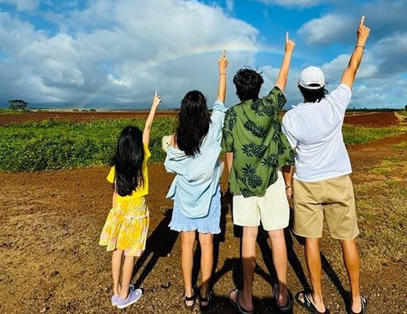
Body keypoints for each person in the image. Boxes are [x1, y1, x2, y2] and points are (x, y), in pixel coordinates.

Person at [282, 16, 370, 314]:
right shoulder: (336, 103)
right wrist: (360, 40)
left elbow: (286, 158)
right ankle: (356, 301)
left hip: (307, 183)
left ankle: (318, 300)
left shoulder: (291, 118)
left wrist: (287, 184)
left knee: (311, 242)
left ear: (300, 88)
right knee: (347, 240)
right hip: (338, 180)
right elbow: (352, 68)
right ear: (323, 87)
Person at [224, 33, 296, 314]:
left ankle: (248, 298)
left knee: (248, 237)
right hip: (273, 181)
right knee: (277, 235)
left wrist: (231, 184)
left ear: (237, 90)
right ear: (258, 88)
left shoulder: (231, 116)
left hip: (242, 184)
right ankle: (282, 294)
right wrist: (288, 51)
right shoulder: (269, 106)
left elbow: (228, 152)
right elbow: (283, 80)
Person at [162, 50, 228, 310]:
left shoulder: (177, 138)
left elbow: (172, 166)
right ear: (203, 110)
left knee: (187, 245)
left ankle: (188, 293)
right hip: (209, 197)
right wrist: (222, 69)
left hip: (185, 199)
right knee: (207, 243)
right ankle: (204, 293)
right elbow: (222, 100)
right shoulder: (213, 129)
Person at [99, 92, 161, 309]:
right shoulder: (142, 158)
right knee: (130, 255)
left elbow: (114, 191)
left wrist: (114, 212)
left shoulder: (116, 166)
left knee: (117, 251)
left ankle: (116, 290)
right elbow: (147, 129)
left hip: (119, 212)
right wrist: (154, 106)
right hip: (136, 214)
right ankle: (125, 295)